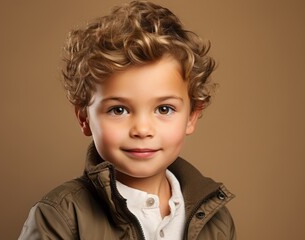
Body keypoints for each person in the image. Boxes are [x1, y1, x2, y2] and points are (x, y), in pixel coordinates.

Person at [19, 1, 236, 239]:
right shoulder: (59, 217)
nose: (142, 130)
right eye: (119, 110)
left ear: (191, 117)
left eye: (164, 109)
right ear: (84, 118)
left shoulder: (217, 222)